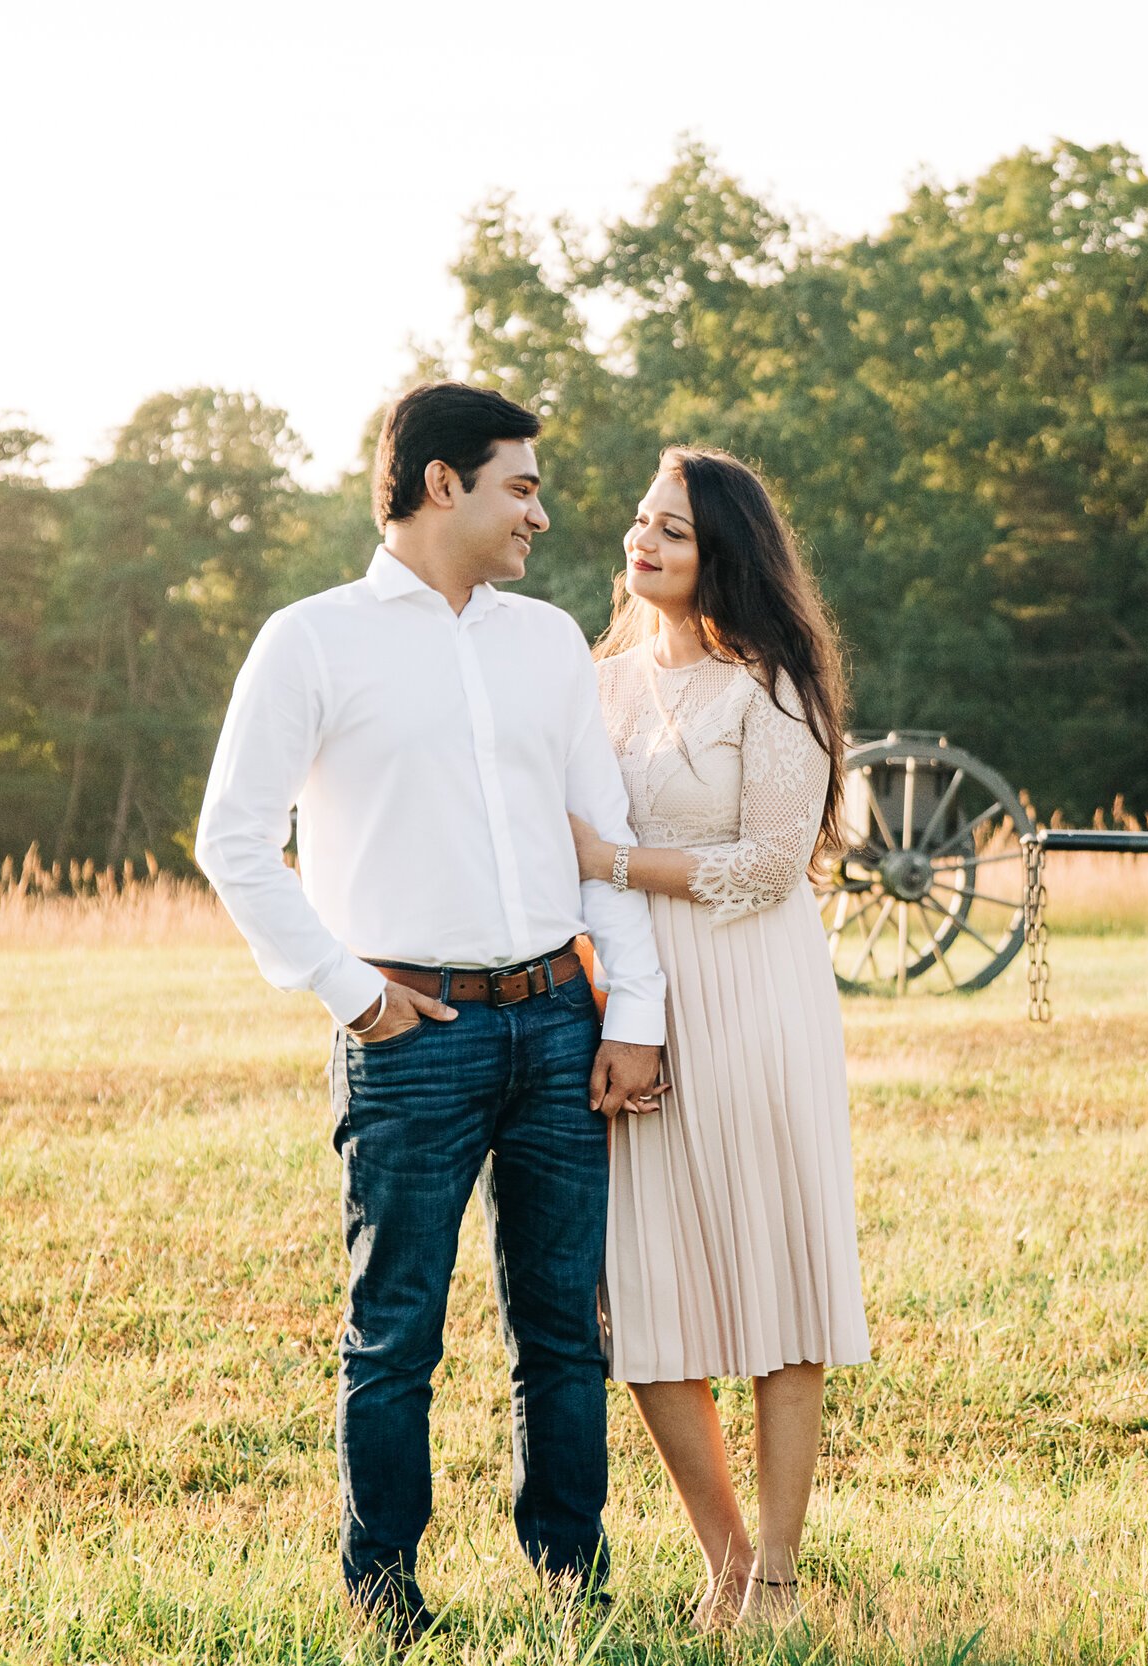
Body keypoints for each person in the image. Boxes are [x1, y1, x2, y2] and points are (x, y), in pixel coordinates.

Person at [194, 382, 668, 1644]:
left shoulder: (548, 641)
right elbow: (232, 841)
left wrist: (635, 1015)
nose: (543, 512)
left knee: (564, 1327)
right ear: (440, 483)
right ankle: (385, 1590)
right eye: (520, 484)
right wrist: (352, 995)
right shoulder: (310, 640)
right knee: (394, 1329)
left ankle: (572, 1574)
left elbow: (603, 839)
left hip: (560, 1017)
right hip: (414, 1039)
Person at [568, 446, 870, 1631]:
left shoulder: (771, 687)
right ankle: (725, 1555)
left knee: (772, 1274)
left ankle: (782, 1575)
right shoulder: (594, 683)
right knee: (646, 1296)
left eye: (673, 532)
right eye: (641, 520)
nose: (642, 541)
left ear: (724, 559)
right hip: (635, 1001)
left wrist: (618, 864)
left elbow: (768, 864)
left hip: (754, 994)